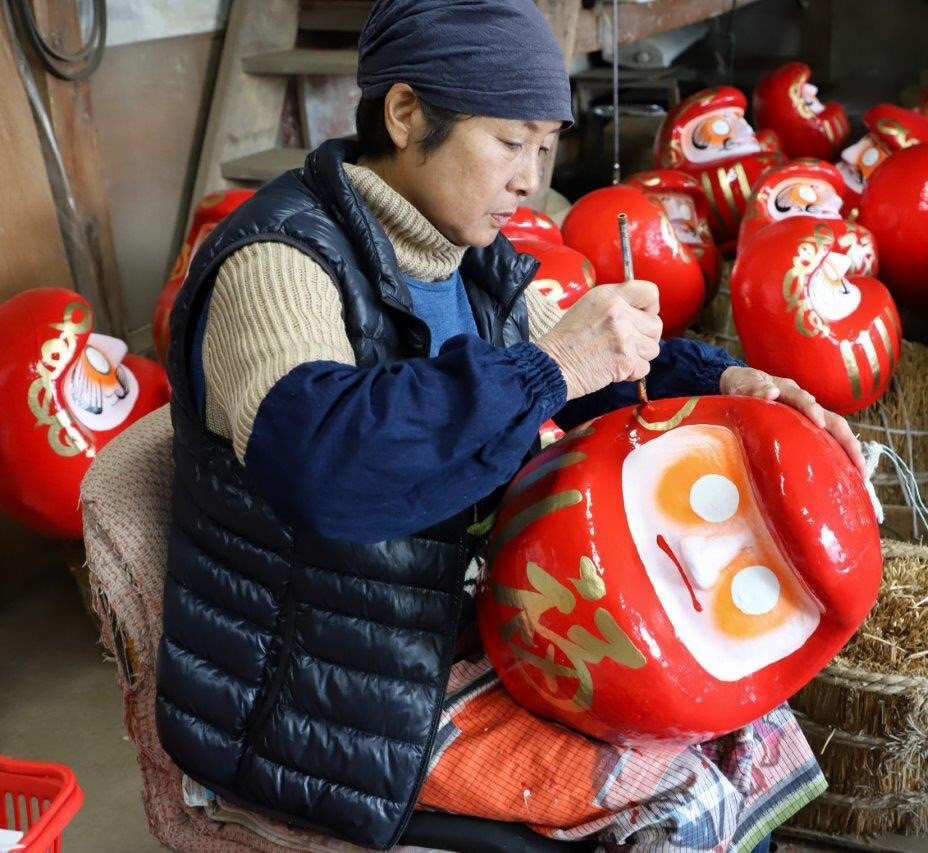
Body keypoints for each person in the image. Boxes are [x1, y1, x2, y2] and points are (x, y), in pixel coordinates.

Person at [154, 0, 865, 849]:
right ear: (407, 113)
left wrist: (730, 382)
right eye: (509, 142)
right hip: (321, 698)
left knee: (742, 725)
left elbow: (583, 367)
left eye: (545, 144)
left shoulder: (465, 258)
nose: (532, 178)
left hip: (428, 631)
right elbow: (324, 463)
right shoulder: (278, 261)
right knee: (666, 788)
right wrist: (557, 363)